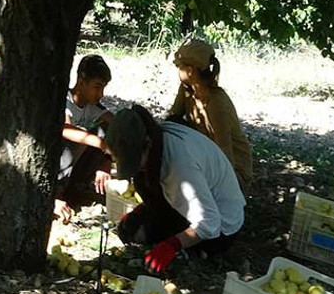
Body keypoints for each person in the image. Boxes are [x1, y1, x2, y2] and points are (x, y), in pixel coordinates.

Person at [104, 105, 245, 272]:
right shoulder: (157, 141)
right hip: (189, 208)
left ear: (147, 143)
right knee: (130, 230)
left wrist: (172, 245)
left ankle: (196, 251)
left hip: (222, 227)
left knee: (147, 239)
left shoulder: (180, 165)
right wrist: (142, 210)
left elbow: (210, 222)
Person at [167, 39, 253, 192]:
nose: (177, 68)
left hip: (232, 171)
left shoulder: (216, 102)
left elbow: (225, 153)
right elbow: (172, 121)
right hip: (206, 156)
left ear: (190, 70)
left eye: (179, 65)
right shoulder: (187, 90)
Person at [55, 55, 115, 219]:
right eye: (97, 87)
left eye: (103, 88)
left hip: (75, 169)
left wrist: (107, 161)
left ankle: (79, 187)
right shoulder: (65, 101)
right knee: (82, 133)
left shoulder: (93, 107)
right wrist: (101, 144)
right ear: (82, 82)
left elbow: (116, 125)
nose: (101, 94)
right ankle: (55, 194)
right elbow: (65, 129)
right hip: (56, 166)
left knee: (104, 129)